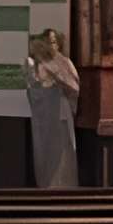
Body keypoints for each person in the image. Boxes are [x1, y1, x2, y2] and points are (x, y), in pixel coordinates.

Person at [24, 26, 82, 191]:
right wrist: (47, 86)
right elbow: (33, 90)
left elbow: (74, 87)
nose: (52, 45)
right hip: (45, 116)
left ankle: (67, 187)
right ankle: (47, 186)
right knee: (47, 152)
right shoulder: (36, 63)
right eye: (49, 42)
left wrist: (59, 80)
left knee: (65, 152)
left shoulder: (64, 62)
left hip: (62, 113)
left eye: (55, 42)